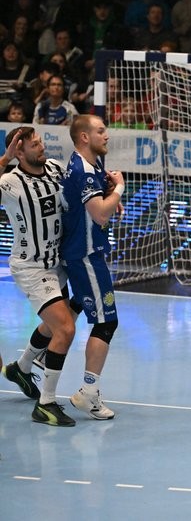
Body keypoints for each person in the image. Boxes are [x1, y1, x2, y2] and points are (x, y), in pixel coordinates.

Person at [0, 127, 77, 426]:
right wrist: (5, 158)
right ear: (19, 152)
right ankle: (46, 403)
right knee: (65, 329)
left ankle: (21, 367)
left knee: (55, 321)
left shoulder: (56, 169)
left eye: (40, 140)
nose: (41, 146)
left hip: (58, 261)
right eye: (33, 144)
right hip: (31, 266)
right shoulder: (9, 182)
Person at [58, 115, 125, 420]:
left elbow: (97, 200)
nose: (106, 135)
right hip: (84, 256)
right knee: (106, 322)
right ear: (84, 137)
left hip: (86, 253)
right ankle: (88, 393)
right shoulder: (84, 170)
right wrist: (119, 190)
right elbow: (99, 214)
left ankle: (31, 359)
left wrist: (108, 188)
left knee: (76, 307)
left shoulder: (91, 165)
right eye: (100, 131)